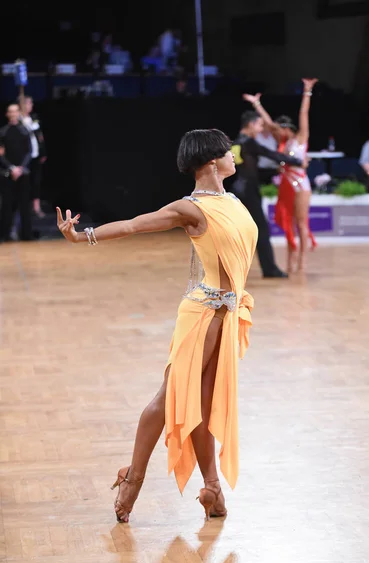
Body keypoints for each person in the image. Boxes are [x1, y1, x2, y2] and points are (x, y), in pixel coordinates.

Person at [56, 129, 258, 523]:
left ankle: (213, 490)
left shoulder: (231, 200)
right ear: (212, 161)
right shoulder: (191, 208)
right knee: (171, 399)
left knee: (201, 403)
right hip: (202, 316)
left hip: (227, 315)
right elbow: (134, 225)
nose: (235, 156)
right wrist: (83, 237)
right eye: (228, 151)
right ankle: (134, 477)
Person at [244, 79, 318, 273]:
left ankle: (302, 261)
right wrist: (257, 104)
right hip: (286, 183)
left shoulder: (301, 138)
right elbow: (268, 123)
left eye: (280, 129)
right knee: (288, 223)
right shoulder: (281, 142)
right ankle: (289, 262)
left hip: (300, 183)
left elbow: (304, 114)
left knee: (301, 223)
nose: (276, 132)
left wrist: (307, 92)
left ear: (288, 128)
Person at [235, 105, 308, 278]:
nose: (261, 130)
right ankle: (270, 269)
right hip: (249, 191)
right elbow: (271, 154)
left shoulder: (236, 142)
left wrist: (276, 171)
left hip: (239, 190)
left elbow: (252, 169)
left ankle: (234, 269)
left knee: (240, 232)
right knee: (261, 230)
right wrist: (296, 161)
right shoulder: (249, 142)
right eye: (259, 126)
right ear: (251, 125)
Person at [0, 104, 32, 242]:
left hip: (22, 173)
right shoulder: (3, 132)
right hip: (8, 173)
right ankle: (5, 234)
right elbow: (1, 154)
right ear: (7, 114)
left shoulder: (24, 130)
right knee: (6, 205)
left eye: (15, 111)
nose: (13, 114)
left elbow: (29, 151)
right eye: (10, 112)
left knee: (25, 205)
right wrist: (12, 168)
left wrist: (20, 168)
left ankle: (26, 235)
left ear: (19, 113)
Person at [19, 95, 47, 218]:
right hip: (23, 157)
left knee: (36, 181)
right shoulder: (18, 120)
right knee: (25, 183)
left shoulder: (34, 118)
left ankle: (36, 207)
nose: (31, 106)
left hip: (36, 154)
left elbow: (40, 136)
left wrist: (43, 152)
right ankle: (23, 208)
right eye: (28, 103)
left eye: (31, 103)